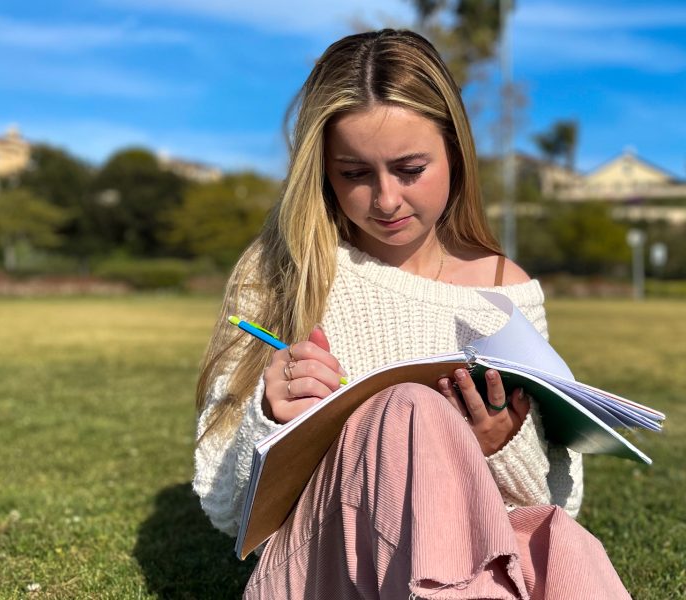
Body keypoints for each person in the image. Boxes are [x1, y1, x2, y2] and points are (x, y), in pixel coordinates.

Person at [192, 29, 629, 598]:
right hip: (324, 568)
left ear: (454, 152)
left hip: (469, 556)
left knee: (560, 542)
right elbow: (225, 511)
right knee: (410, 409)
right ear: (322, 169)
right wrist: (271, 418)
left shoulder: (507, 289)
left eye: (410, 169)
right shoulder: (287, 267)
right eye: (354, 174)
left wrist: (497, 444)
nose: (387, 200)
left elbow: (557, 499)